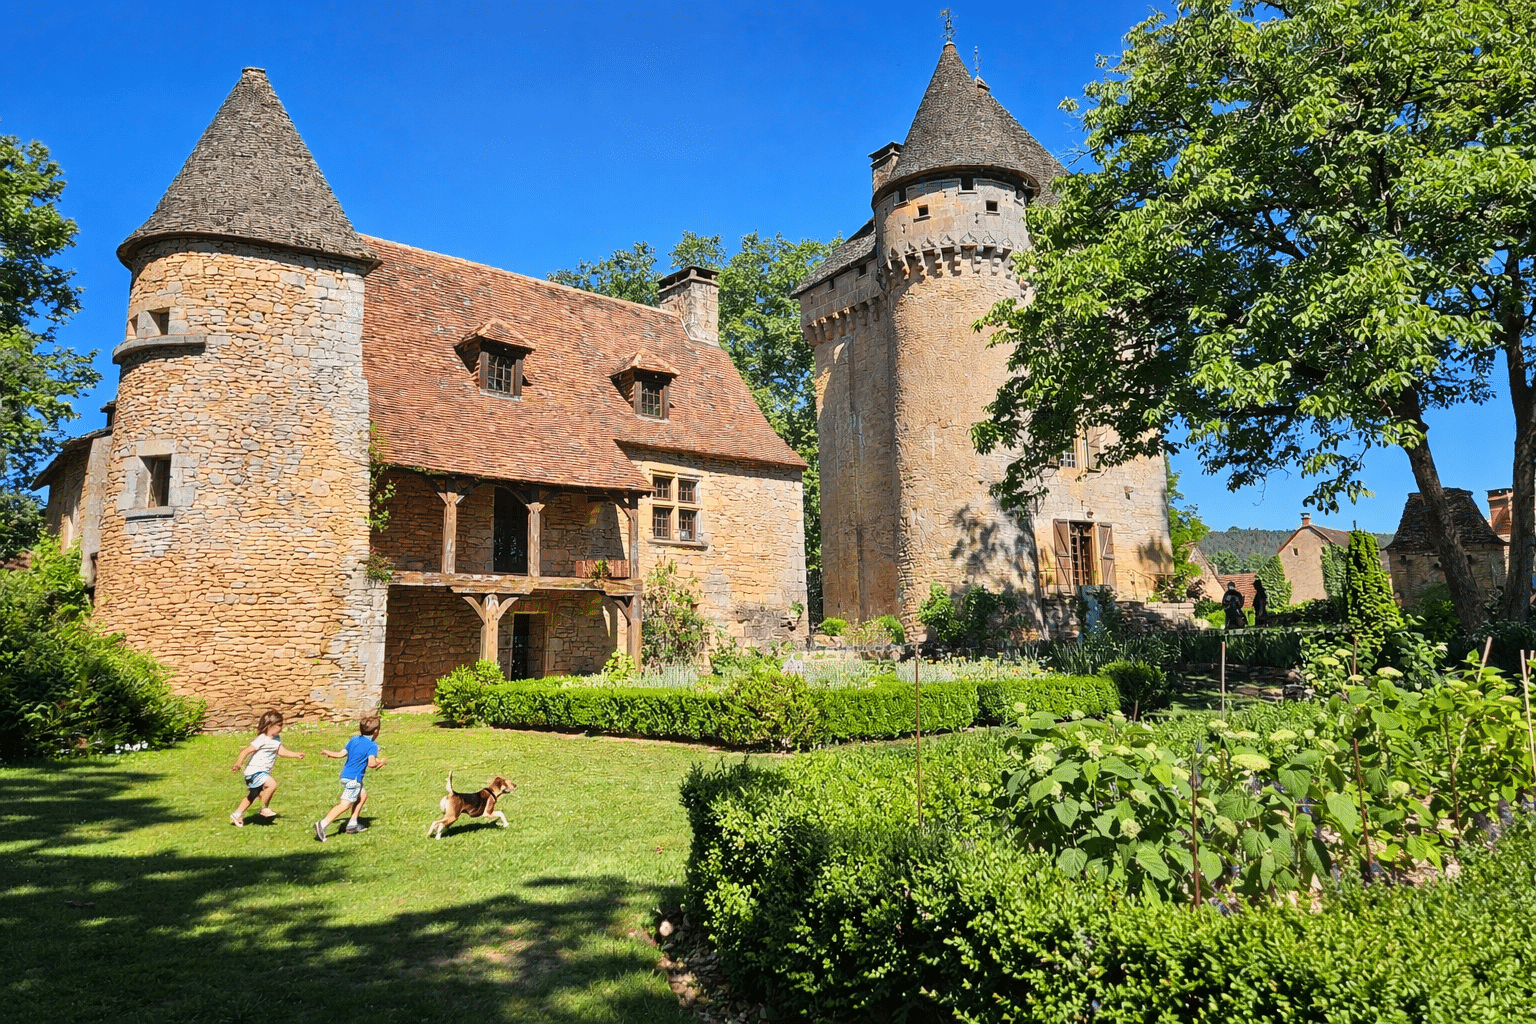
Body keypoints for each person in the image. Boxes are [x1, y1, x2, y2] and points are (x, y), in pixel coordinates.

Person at [314, 715, 386, 842]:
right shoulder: (372, 746)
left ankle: (352, 824)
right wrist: (382, 762)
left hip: (345, 775)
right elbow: (371, 764)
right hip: (354, 779)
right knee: (344, 804)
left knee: (362, 795)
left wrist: (330, 753)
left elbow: (341, 754)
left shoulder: (354, 739)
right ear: (376, 731)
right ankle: (322, 824)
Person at [230, 710, 305, 826]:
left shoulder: (276, 739)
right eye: (279, 725)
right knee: (272, 785)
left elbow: (281, 751)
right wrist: (238, 763)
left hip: (262, 772)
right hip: (254, 771)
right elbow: (246, 750)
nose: (281, 728)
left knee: (252, 795)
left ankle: (236, 814)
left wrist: (295, 754)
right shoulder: (262, 739)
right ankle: (263, 808)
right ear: (270, 725)